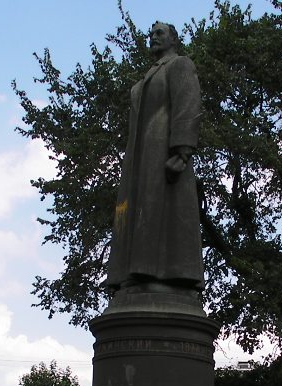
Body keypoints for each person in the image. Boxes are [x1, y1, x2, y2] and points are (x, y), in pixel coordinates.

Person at [105, 21, 204, 293]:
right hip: (142, 154)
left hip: (163, 149)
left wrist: (182, 151)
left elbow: (188, 104)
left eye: (159, 33)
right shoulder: (150, 74)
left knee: (160, 208)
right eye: (151, 34)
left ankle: (162, 274)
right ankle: (136, 270)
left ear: (174, 39)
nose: (153, 37)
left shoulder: (180, 65)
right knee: (141, 209)